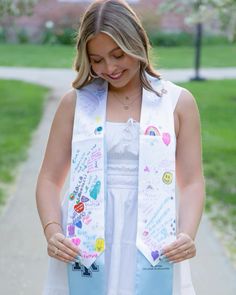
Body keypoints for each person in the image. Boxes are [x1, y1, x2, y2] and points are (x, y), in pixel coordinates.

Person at [36, 0, 205, 294]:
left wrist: (187, 234)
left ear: (137, 42)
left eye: (118, 55)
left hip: (154, 238)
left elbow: (191, 181)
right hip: (86, 237)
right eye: (97, 59)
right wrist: (53, 231)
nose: (109, 68)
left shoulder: (177, 102)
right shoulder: (76, 104)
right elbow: (49, 179)